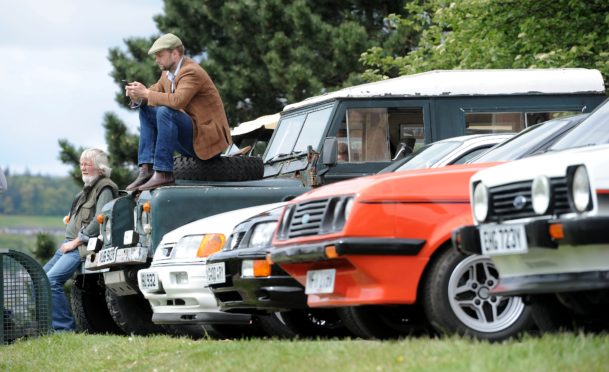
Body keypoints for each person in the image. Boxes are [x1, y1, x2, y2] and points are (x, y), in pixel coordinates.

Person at [124, 33, 232, 191]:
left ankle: (164, 173)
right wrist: (137, 96)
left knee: (166, 111)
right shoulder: (167, 74)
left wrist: (146, 93)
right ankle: (147, 169)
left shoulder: (192, 72)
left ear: (174, 54)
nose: (157, 60)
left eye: (160, 55)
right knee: (146, 108)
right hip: (191, 135)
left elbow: (177, 101)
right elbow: (153, 92)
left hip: (206, 140)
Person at [44, 149, 118, 331]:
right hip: (69, 246)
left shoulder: (105, 187)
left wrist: (76, 242)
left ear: (100, 168)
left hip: (80, 247)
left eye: (88, 163)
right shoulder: (87, 189)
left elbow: (100, 219)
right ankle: (46, 327)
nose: (83, 167)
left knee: (52, 281)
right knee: (38, 278)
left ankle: (63, 329)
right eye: (81, 163)